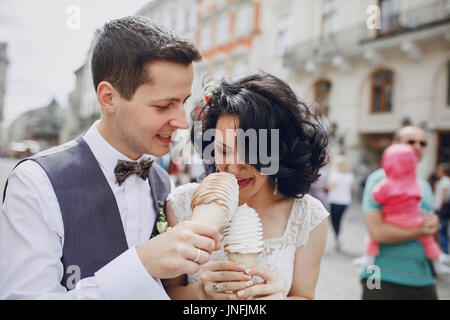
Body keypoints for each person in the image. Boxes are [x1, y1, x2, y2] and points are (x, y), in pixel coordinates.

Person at [0, 16, 220, 299]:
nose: (181, 121)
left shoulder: (162, 181)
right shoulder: (35, 183)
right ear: (108, 98)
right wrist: (140, 264)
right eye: (164, 105)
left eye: (184, 102)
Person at [163, 73, 330, 299]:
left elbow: (305, 295)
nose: (234, 165)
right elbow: (166, 292)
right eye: (223, 150)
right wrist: (200, 293)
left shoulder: (308, 216)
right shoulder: (182, 205)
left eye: (250, 151)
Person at [360, 126, 441, 300]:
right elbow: (377, 231)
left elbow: (431, 232)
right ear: (394, 145)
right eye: (411, 141)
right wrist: (420, 230)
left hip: (424, 279)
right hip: (381, 278)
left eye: (423, 143)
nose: (418, 147)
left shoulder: (425, 187)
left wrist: (434, 225)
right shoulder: (380, 179)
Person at [360, 144, 450, 274]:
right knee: (428, 240)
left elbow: (377, 198)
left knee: (371, 239)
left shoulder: (385, 183)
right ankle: (437, 262)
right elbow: (418, 198)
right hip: (414, 220)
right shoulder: (415, 184)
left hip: (391, 220)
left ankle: (368, 259)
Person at [326, 155, 354, 250]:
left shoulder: (335, 174)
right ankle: (337, 238)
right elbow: (350, 189)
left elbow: (330, 187)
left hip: (335, 200)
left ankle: (337, 239)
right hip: (345, 201)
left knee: (334, 221)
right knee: (339, 220)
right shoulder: (350, 175)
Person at [435, 163, 450, 254]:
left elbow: (443, 197)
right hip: (444, 209)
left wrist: (439, 207)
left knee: (441, 229)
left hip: (441, 209)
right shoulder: (447, 181)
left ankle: (443, 250)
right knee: (444, 229)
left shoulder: (444, 181)